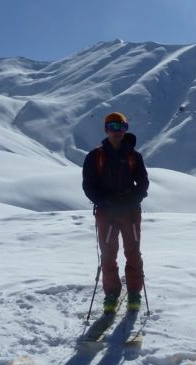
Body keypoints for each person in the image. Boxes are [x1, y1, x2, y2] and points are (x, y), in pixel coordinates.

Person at [82, 112, 149, 313]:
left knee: (133, 253)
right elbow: (88, 186)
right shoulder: (95, 157)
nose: (117, 131)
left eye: (121, 127)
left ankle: (134, 293)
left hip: (129, 212)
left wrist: (132, 199)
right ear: (106, 129)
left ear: (126, 129)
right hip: (107, 213)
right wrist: (105, 202)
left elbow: (143, 183)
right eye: (113, 127)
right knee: (108, 255)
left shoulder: (134, 157)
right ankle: (112, 294)